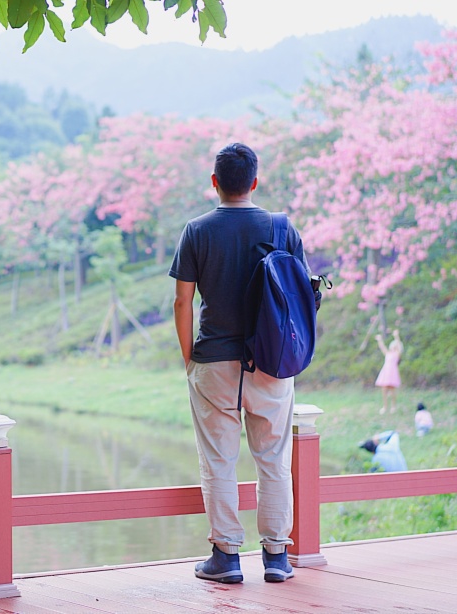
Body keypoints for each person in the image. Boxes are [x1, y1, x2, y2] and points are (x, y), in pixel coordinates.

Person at [169, 142, 309, 585]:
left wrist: (189, 357)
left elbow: (182, 300)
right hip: (270, 362)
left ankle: (226, 557)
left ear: (215, 183)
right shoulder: (282, 228)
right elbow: (302, 297)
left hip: (214, 361)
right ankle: (277, 557)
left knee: (219, 460)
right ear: (254, 181)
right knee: (273, 459)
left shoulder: (197, 231)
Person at [374, 329, 403, 414]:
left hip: (392, 373)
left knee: (392, 390)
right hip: (386, 372)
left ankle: (393, 406)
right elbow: (382, 347)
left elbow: (399, 345)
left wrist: (396, 336)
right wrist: (380, 340)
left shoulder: (397, 354)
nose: (394, 347)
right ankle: (385, 406)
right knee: (384, 389)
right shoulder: (388, 353)